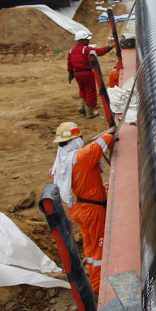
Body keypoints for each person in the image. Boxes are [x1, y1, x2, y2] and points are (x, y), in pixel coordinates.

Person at [50, 122, 114, 297]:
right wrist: (115, 128)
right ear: (75, 140)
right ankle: (104, 289)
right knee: (101, 248)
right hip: (92, 210)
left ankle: (95, 287)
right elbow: (107, 139)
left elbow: (76, 179)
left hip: (77, 209)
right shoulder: (83, 156)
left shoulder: (60, 163)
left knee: (91, 250)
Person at [68, 30, 112, 118]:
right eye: (87, 40)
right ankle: (90, 112)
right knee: (90, 91)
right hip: (86, 73)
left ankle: (81, 106)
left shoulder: (71, 50)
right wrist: (108, 47)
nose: (88, 41)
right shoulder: (86, 49)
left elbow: (69, 63)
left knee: (82, 89)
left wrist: (70, 74)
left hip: (77, 74)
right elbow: (99, 52)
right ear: (82, 40)